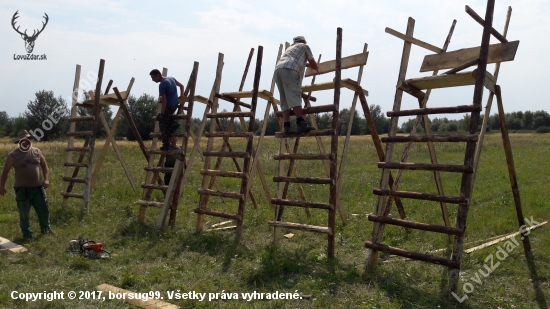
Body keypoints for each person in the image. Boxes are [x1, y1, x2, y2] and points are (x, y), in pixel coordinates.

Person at [0, 130, 53, 239]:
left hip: (38, 188)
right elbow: (5, 171)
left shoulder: (37, 152)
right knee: (24, 214)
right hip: (22, 190)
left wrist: (46, 179)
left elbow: (44, 166)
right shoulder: (13, 155)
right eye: (24, 140)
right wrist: (2, 186)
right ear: (19, 142)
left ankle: (46, 229)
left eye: (28, 139)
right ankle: (27, 235)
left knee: (44, 210)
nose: (27, 141)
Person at [274, 35, 320, 134]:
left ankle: (286, 126)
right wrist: (316, 67)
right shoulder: (304, 46)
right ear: (304, 41)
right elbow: (313, 64)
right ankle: (300, 123)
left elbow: (300, 62)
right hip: (290, 70)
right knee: (295, 95)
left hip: (278, 71)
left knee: (285, 99)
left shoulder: (290, 49)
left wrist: (308, 65)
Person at [150, 69, 184, 150]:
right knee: (160, 117)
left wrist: (163, 112)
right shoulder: (171, 78)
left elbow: (164, 100)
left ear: (158, 75)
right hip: (175, 104)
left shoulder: (162, 84)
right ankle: (172, 124)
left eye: (153, 77)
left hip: (169, 106)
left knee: (163, 124)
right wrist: (182, 95)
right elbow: (181, 86)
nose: (152, 79)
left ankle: (166, 145)